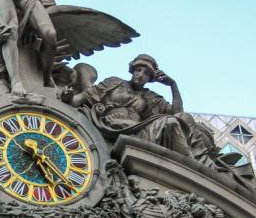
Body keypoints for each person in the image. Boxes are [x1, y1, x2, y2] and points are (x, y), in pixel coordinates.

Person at [62, 55, 213, 163]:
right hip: (107, 124)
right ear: (132, 70)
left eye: (146, 73)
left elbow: (178, 113)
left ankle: (190, 164)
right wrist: (68, 97)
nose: (140, 75)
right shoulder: (113, 83)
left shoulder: (151, 98)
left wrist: (173, 85)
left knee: (172, 122)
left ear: (150, 78)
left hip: (136, 131)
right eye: (138, 70)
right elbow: (79, 99)